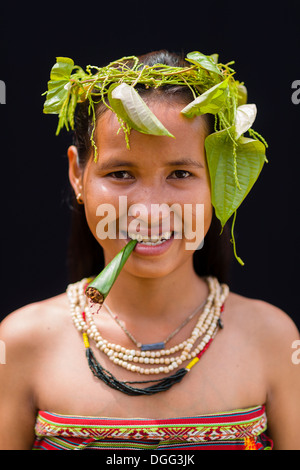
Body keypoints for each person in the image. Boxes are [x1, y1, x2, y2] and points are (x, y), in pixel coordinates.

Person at [0, 50, 299, 451]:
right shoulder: (20, 345)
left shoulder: (276, 342)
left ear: (221, 176)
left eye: (180, 173)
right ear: (78, 175)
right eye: (121, 173)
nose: (150, 209)